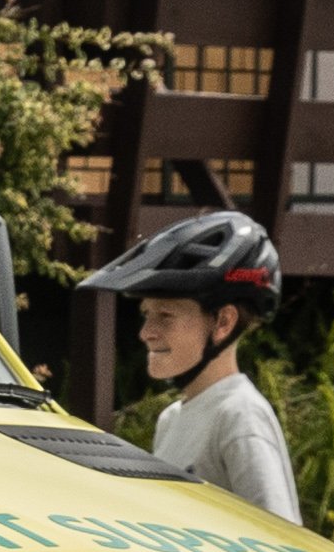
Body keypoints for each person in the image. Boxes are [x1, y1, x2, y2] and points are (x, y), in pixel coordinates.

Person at [89, 193, 300, 523]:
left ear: (223, 322)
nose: (146, 333)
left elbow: (281, 538)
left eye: (165, 316)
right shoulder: (172, 419)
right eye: (146, 315)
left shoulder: (240, 416)